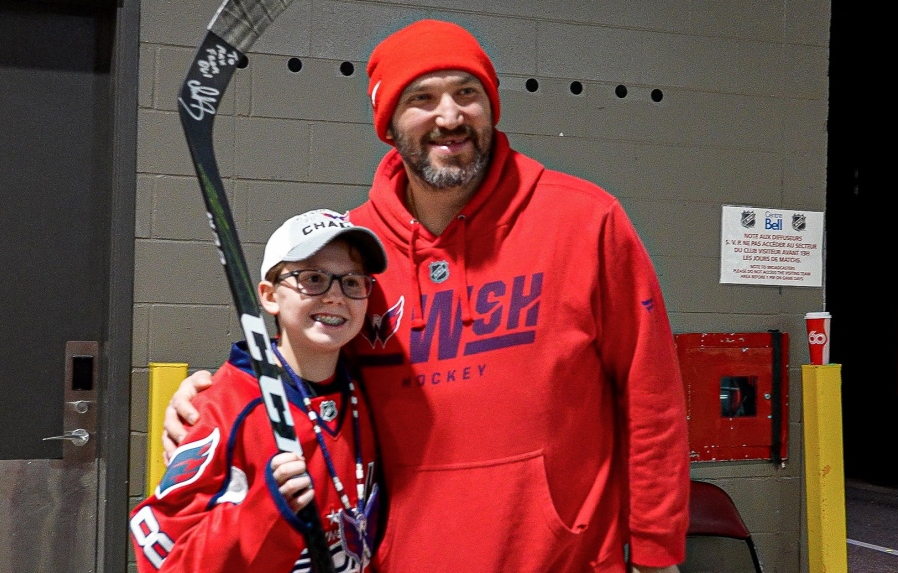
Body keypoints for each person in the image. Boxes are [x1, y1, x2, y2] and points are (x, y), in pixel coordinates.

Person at [163, 20, 689, 573]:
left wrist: (655, 551)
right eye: (422, 98)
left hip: (568, 559)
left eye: (468, 93)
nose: (450, 116)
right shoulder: (358, 254)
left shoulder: (586, 221)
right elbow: (305, 364)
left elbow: (651, 395)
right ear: (388, 124)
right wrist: (213, 394)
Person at [132, 209, 388, 572]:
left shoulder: (367, 393)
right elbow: (166, 562)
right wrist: (266, 509)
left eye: (352, 282)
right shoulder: (225, 405)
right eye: (313, 279)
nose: (335, 296)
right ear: (269, 296)